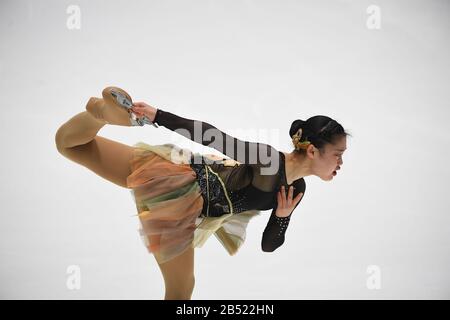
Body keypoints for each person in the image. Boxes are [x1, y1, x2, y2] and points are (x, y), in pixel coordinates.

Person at [55, 86, 350, 300]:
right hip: (176, 190)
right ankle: (103, 115)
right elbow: (215, 137)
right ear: (312, 150)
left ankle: (100, 115)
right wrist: (158, 115)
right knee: (181, 292)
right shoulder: (269, 160)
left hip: (175, 172)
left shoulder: (296, 188)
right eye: (338, 154)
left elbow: (269, 245)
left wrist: (282, 217)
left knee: (70, 144)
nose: (340, 163)